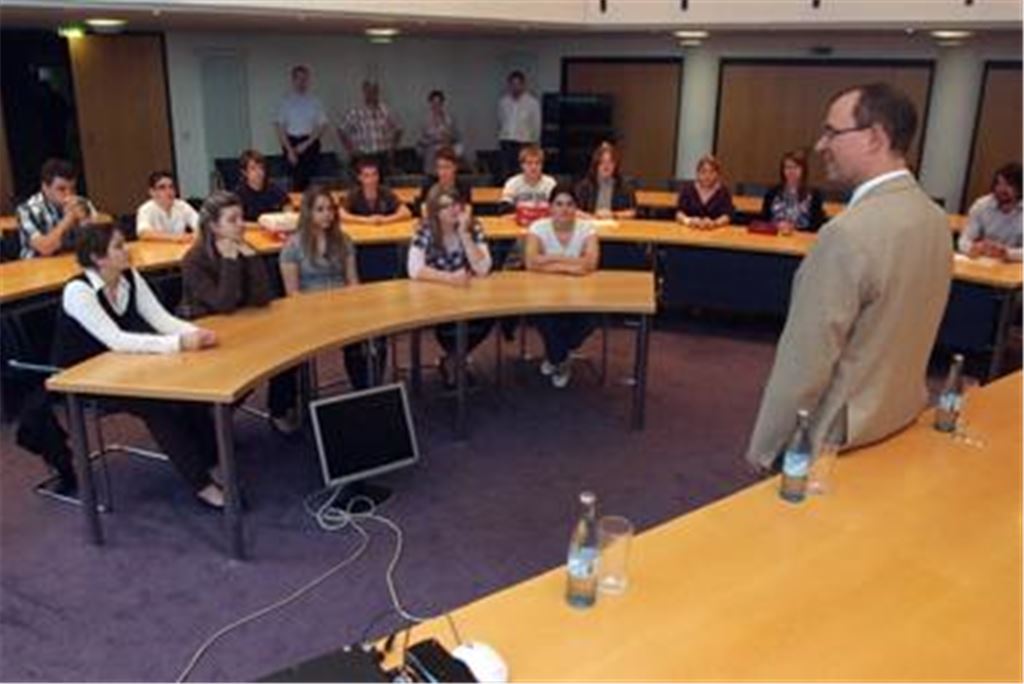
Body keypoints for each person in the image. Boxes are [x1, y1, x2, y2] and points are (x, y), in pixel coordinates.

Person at [746, 83, 953, 471]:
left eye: (832, 132)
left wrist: (767, 450)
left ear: (875, 137)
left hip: (838, 438)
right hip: (900, 417)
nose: (821, 145)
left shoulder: (847, 234)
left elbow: (805, 361)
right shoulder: (934, 219)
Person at [16, 224, 224, 508]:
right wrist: (179, 344)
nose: (127, 250)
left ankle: (211, 461)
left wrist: (195, 333)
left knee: (187, 386)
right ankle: (202, 485)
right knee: (155, 404)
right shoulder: (78, 291)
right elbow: (116, 339)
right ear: (97, 258)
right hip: (83, 376)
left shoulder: (129, 276)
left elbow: (160, 320)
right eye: (118, 246)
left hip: (123, 365)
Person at [179, 191, 298, 433]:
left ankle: (279, 410)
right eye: (232, 220)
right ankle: (214, 418)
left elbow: (264, 297)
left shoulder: (243, 247)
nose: (241, 224)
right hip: (209, 334)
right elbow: (223, 304)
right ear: (214, 226)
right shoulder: (194, 260)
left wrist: (252, 258)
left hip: (243, 325)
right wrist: (230, 262)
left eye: (241, 218)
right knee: (249, 366)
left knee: (289, 349)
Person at [279, 187, 386, 390]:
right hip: (309, 311)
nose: (326, 214)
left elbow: (353, 281)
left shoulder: (343, 240)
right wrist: (319, 309)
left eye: (330, 209)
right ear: (308, 212)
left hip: (344, 307)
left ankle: (367, 390)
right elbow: (292, 294)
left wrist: (355, 308)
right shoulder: (292, 247)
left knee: (375, 334)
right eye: (320, 209)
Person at [407, 187, 494, 389]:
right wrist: (449, 279)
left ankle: (453, 360)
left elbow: (483, 268)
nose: (454, 210)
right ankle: (457, 362)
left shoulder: (473, 227)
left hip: (468, 295)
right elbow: (414, 269)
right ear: (434, 211)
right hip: (436, 295)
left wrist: (464, 234)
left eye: (456, 204)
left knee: (489, 316)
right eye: (446, 206)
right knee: (449, 324)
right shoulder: (425, 229)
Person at [524, 185, 600, 389]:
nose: (564, 209)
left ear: (576, 208)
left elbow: (591, 263)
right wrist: (568, 264)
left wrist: (547, 261)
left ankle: (556, 355)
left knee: (591, 319)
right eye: (558, 204)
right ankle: (562, 360)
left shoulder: (587, 228)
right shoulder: (538, 227)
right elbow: (531, 262)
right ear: (550, 207)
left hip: (581, 293)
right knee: (545, 317)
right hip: (543, 293)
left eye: (569, 204)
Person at [16, 158, 98, 259]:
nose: (69, 194)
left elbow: (97, 245)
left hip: (72, 262)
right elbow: (45, 248)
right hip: (38, 268)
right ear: (45, 187)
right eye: (61, 189)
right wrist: (69, 219)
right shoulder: (26, 210)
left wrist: (85, 221)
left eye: (72, 189)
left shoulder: (83, 203)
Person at [274, 65, 329, 192]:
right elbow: (280, 127)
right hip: (291, 143)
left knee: (309, 178)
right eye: (299, 79)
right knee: (295, 179)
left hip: (309, 142)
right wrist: (289, 150)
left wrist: (306, 144)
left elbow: (322, 125)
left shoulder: (315, 101)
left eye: (304, 79)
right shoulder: (285, 101)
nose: (302, 82)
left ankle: (309, 205)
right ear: (293, 80)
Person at [958, 162, 1022, 262]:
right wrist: (973, 247)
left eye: (1008, 185)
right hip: (983, 263)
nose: (1001, 189)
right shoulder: (982, 205)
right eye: (999, 183)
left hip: (1014, 269)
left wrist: (1006, 252)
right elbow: (963, 240)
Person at [338, 80, 402, 178]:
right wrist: (351, 149)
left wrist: (392, 148)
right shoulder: (355, 112)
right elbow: (341, 130)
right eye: (369, 91)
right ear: (364, 92)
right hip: (363, 155)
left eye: (375, 91)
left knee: (383, 187)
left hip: (382, 155)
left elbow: (399, 129)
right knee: (364, 185)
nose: (372, 94)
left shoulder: (385, 111)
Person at [759, 149, 826, 233]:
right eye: (788, 167)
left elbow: (817, 226)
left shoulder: (814, 195)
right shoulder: (772, 193)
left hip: (803, 238)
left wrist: (794, 229)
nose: (791, 171)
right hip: (776, 236)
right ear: (782, 171)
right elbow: (764, 221)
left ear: (803, 170)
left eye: (796, 167)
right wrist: (777, 226)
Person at [339, 157, 412, 225]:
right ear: (359, 178)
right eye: (366, 176)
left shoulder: (386, 193)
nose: (371, 179)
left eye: (374, 174)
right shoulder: (354, 194)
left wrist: (384, 220)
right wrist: (366, 220)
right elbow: (341, 214)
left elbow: (406, 212)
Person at [574, 142, 637, 220]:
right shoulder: (585, 186)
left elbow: (632, 212)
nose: (606, 166)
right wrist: (590, 217)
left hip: (616, 227)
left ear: (615, 165)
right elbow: (575, 210)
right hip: (590, 225)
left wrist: (613, 215)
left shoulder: (624, 186)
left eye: (610, 162)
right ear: (596, 165)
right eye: (602, 162)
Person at [497, 70, 542, 181]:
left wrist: (534, 143)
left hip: (524, 142)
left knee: (521, 172)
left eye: (518, 84)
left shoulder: (532, 103)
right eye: (512, 84)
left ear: (523, 85)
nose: (515, 87)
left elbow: (536, 124)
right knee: (506, 172)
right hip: (506, 141)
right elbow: (500, 121)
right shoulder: (503, 102)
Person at [135, 170, 199, 242]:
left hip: (179, 250)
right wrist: (176, 237)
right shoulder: (146, 209)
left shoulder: (182, 206)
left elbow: (201, 225)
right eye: (162, 188)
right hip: (156, 251)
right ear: (152, 192)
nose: (168, 191)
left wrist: (196, 234)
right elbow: (143, 233)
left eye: (171, 187)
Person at [499, 145, 557, 225]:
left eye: (537, 163)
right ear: (522, 165)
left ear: (542, 165)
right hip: (519, 226)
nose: (533, 167)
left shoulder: (550, 183)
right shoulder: (512, 183)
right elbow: (504, 210)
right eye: (529, 163)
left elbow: (558, 208)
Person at [676, 155, 734, 228]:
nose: (707, 176)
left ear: (717, 174)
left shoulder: (723, 192)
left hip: (715, 233)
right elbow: (679, 213)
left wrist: (715, 223)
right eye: (703, 172)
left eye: (711, 172)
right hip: (690, 230)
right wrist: (689, 221)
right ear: (697, 173)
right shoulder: (687, 189)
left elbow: (727, 216)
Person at [414, 146, 472, 217]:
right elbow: (424, 210)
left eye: (447, 167)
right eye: (440, 167)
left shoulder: (463, 187)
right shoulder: (429, 185)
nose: (443, 172)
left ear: (455, 167)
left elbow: (467, 210)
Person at [234, 149, 290, 221]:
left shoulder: (273, 189)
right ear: (244, 172)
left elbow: (287, 205)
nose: (258, 172)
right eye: (253, 168)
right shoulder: (239, 194)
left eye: (261, 168)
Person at [417, 90, 461, 175]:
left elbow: (457, 138)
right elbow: (420, 143)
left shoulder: (449, 119)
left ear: (442, 104)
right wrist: (430, 141)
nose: (436, 106)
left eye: (439, 103)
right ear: (430, 104)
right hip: (430, 159)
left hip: (447, 157)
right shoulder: (425, 121)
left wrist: (449, 139)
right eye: (434, 103)